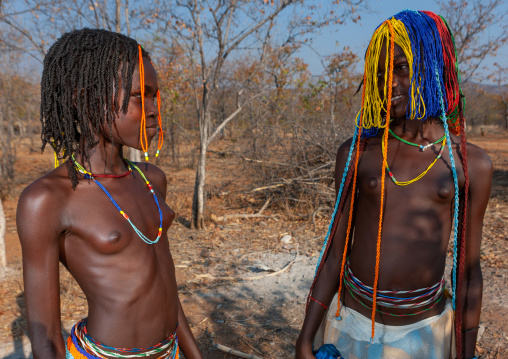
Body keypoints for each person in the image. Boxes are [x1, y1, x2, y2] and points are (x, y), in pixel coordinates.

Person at [296, 10, 492, 359]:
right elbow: (333, 256)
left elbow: (468, 274)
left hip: (425, 335)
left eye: (401, 68)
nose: (389, 84)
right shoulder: (359, 152)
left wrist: (466, 352)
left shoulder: (468, 164)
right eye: (381, 73)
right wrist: (304, 339)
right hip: (352, 327)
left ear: (431, 67)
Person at [16, 28, 203, 359]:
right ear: (85, 98)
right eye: (138, 96)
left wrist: (193, 353)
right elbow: (45, 336)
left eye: (154, 96)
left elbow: (164, 286)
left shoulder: (151, 179)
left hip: (169, 351)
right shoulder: (47, 199)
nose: (153, 109)